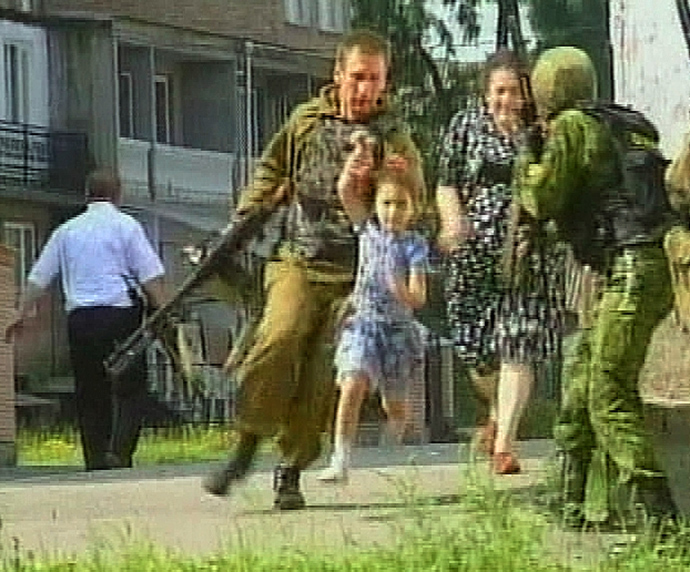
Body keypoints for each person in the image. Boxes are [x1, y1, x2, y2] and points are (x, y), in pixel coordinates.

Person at [202, 29, 425, 510]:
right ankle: (246, 443)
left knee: (325, 365)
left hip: (358, 277)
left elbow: (412, 202)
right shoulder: (307, 121)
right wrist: (246, 216)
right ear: (338, 75)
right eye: (358, 77)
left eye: (376, 79)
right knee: (280, 336)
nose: (366, 89)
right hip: (298, 260)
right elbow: (271, 168)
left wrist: (384, 175)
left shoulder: (394, 135)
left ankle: (292, 466)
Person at [513, 46, 679, 526]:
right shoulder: (625, 124)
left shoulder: (571, 126)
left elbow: (543, 198)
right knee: (581, 381)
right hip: (644, 264)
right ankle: (568, 500)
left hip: (630, 266)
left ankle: (659, 519)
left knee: (607, 391)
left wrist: (525, 159)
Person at [435, 49, 564, 474]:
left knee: (518, 343)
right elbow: (447, 182)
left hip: (527, 254)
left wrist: (523, 145)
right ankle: (495, 410)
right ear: (485, 91)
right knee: (476, 352)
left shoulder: (541, 132)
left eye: (513, 92)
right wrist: (453, 222)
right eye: (498, 91)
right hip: (473, 256)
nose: (505, 100)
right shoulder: (464, 126)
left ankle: (504, 444)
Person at [4, 169, 166, 471]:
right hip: (120, 317)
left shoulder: (66, 231)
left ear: (87, 195)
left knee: (90, 388)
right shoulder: (126, 226)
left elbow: (39, 277)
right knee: (131, 386)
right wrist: (166, 312)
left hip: (81, 321)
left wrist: (20, 312)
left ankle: (95, 457)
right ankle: (119, 452)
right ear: (118, 194)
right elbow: (150, 276)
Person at [317, 152, 428, 483]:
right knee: (353, 383)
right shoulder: (367, 231)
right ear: (376, 205)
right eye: (386, 203)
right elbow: (345, 191)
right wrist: (358, 158)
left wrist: (402, 291)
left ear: (412, 208)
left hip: (396, 331)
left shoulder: (414, 246)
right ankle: (340, 459)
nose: (392, 212)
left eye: (400, 205)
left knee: (395, 407)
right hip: (363, 323)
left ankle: (390, 445)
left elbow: (419, 296)